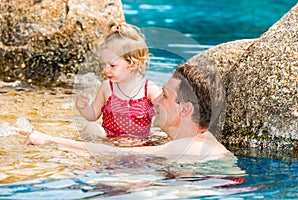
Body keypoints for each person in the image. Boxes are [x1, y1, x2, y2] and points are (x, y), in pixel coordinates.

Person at [18, 63, 233, 162]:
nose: (155, 100)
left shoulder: (193, 148)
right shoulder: (193, 144)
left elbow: (121, 154)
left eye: (164, 96)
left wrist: (48, 140)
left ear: (185, 109)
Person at [76, 22, 161, 139]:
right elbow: (93, 115)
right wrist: (83, 107)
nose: (105, 70)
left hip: (139, 142)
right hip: (110, 141)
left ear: (132, 64)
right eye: (104, 64)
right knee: (92, 128)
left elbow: (167, 116)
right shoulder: (107, 87)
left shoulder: (149, 90)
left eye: (112, 65)